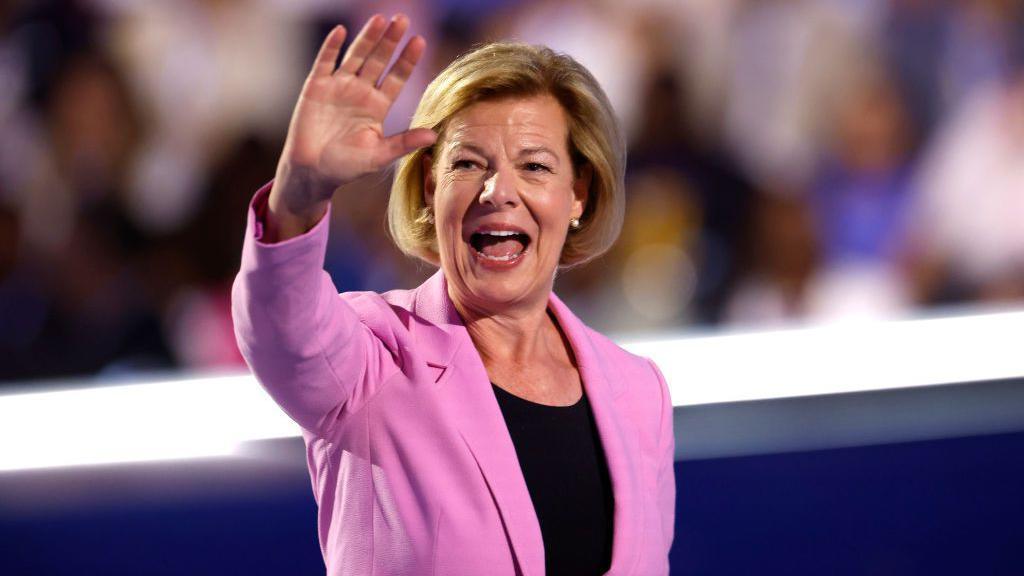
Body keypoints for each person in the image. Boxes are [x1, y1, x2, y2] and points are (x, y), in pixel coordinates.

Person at [232, 14, 675, 575]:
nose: (498, 192)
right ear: (429, 188)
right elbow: (281, 333)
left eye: (534, 166)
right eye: (468, 163)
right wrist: (298, 197)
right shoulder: (373, 357)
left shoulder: (640, 393)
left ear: (578, 195)